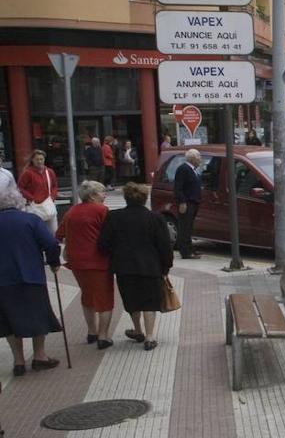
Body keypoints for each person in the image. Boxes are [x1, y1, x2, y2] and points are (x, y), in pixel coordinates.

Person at [97, 182, 173, 352]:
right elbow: (164, 246)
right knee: (150, 301)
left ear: (126, 198)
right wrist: (166, 266)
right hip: (150, 266)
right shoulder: (156, 218)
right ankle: (150, 336)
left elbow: (103, 243)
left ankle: (137, 329)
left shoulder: (114, 217)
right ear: (144, 198)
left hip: (124, 266)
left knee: (132, 300)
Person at [0, 173, 63, 376]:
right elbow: (52, 243)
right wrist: (53, 262)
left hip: (3, 280)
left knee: (9, 320)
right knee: (38, 316)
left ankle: (18, 361)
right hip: (31, 276)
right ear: (19, 203)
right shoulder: (30, 220)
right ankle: (39, 356)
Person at [57, 181, 116, 349]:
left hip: (76, 261)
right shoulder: (102, 211)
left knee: (87, 296)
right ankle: (103, 336)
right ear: (92, 195)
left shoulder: (71, 211)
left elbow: (59, 234)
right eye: (102, 192)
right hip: (98, 261)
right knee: (104, 299)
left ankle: (92, 332)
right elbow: (110, 235)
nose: (105, 195)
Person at [18, 149, 59, 235]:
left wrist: (53, 197)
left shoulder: (49, 172)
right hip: (35, 206)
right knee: (39, 231)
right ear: (32, 160)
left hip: (48, 204)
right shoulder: (28, 173)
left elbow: (54, 185)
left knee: (54, 230)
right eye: (37, 159)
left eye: (41, 159)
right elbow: (20, 187)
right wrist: (31, 198)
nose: (39, 161)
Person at [174, 149, 203, 259]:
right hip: (187, 202)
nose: (200, 159)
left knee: (189, 227)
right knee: (184, 227)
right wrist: (182, 202)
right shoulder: (183, 169)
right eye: (198, 156)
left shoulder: (193, 170)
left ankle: (190, 249)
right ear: (192, 158)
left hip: (194, 202)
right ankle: (185, 252)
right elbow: (178, 188)